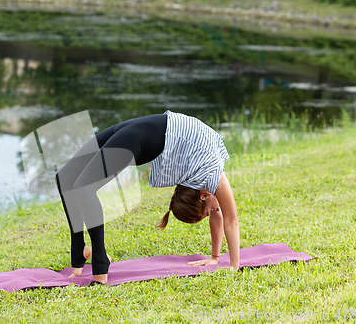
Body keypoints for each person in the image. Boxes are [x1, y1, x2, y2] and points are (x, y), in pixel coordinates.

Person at [55, 110, 240, 284]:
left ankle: (84, 256)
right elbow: (231, 220)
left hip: (147, 127)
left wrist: (215, 258)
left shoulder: (203, 181)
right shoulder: (214, 172)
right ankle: (98, 260)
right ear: (203, 196)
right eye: (208, 213)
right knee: (67, 179)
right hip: (143, 135)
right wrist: (233, 267)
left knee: (77, 184)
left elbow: (219, 215)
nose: (216, 210)